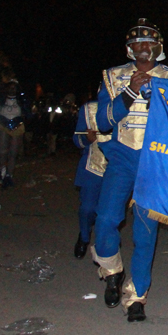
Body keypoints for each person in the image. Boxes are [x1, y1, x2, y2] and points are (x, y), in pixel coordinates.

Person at [91, 19, 168, 322]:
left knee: (145, 233)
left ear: (159, 48)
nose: (143, 49)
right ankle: (112, 271)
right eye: (137, 44)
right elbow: (103, 121)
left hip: (155, 164)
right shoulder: (112, 76)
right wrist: (129, 93)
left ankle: (137, 297)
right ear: (129, 49)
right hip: (122, 158)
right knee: (106, 219)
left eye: (149, 44)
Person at [72, 99, 110, 259]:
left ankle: (106, 248)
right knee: (87, 208)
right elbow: (77, 140)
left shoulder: (132, 107)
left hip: (118, 169)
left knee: (108, 214)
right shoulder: (89, 109)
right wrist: (87, 139)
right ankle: (84, 236)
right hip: (92, 167)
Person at [0, 79, 29, 189]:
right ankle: (2, 171)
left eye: (14, 88)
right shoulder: (0, 99)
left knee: (13, 153)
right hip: (3, 125)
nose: (12, 90)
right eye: (10, 87)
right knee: (3, 151)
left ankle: (9, 175)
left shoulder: (21, 100)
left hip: (17, 125)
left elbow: (27, 112)